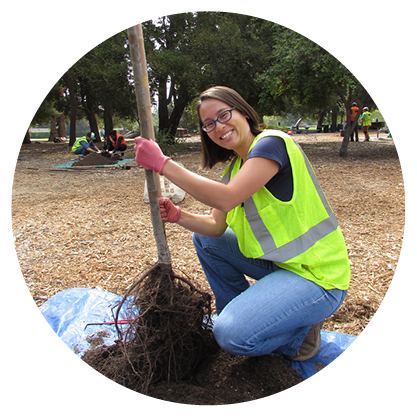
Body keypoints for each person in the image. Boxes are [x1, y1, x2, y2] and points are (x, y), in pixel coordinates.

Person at [134, 86, 351, 362]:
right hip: (284, 266)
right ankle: (243, 313)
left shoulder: (273, 144)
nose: (218, 127)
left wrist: (163, 164)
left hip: (318, 277)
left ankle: (299, 333)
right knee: (206, 241)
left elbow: (227, 198)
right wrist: (179, 216)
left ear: (243, 112)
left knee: (231, 336)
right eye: (209, 124)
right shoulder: (235, 169)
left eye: (224, 115)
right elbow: (215, 225)